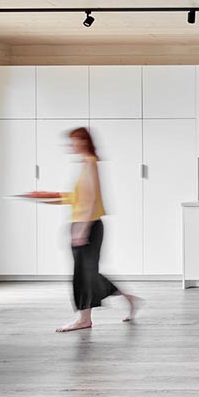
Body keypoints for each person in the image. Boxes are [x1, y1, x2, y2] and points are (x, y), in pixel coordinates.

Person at [42, 126, 140, 332]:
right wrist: (48, 198)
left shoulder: (90, 164)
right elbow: (77, 198)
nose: (71, 146)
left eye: (74, 141)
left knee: (83, 274)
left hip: (88, 226)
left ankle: (84, 319)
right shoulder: (86, 164)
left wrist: (82, 230)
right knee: (88, 273)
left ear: (84, 142)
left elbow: (89, 200)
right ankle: (128, 299)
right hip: (82, 224)